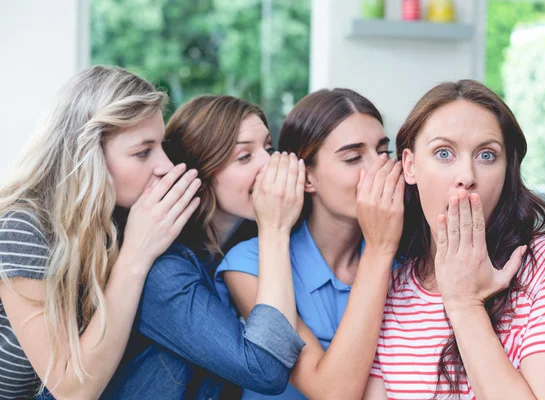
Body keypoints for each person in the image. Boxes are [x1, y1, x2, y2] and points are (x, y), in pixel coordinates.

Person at [363, 79, 545, 399]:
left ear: (507, 169)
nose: (467, 176)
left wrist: (465, 304)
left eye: (487, 155)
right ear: (409, 165)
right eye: (443, 153)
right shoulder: (394, 288)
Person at [0, 65, 200, 399]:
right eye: (143, 151)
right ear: (88, 155)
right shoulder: (22, 227)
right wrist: (135, 255)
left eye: (161, 146)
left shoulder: (113, 220)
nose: (166, 166)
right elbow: (73, 391)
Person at [103, 95, 306, 399]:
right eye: (244, 157)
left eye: (268, 148)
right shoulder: (163, 271)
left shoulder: (238, 252)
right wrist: (274, 228)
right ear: (200, 173)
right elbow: (264, 370)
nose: (270, 164)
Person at [215, 88, 405, 399]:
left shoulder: (407, 267)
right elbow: (333, 392)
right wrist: (379, 248)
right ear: (306, 178)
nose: (378, 169)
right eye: (353, 157)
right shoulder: (248, 266)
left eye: (384, 152)